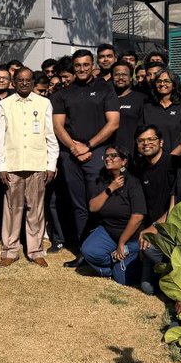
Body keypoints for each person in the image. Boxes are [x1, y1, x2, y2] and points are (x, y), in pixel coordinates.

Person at [51, 49, 120, 266]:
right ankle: (83, 253)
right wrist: (73, 147)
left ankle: (100, 248)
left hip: (97, 152)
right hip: (71, 154)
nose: (81, 69)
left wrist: (88, 145)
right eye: (78, 65)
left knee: (97, 202)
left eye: (86, 64)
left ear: (93, 66)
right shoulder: (64, 93)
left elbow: (113, 123)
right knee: (78, 204)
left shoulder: (105, 89)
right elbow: (57, 125)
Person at [0, 65, 58, 268]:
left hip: (37, 164)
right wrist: (1, 165)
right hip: (12, 164)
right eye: (20, 80)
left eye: (28, 80)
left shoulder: (44, 103)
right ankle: (10, 251)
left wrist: (51, 164)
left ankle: (35, 250)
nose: (23, 83)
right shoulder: (5, 104)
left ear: (33, 82)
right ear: (14, 82)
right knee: (12, 209)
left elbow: (50, 135)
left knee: (36, 210)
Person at [80, 145, 146, 287]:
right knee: (88, 251)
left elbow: (138, 217)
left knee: (120, 278)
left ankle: (126, 260)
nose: (108, 159)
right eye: (106, 156)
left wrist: (122, 243)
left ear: (124, 161)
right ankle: (114, 262)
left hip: (131, 237)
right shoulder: (103, 180)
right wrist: (111, 188)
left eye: (113, 155)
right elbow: (93, 207)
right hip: (109, 231)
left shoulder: (133, 183)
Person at [133, 126, 176, 296]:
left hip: (168, 227)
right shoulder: (140, 167)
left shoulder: (173, 164)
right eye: (141, 140)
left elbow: (176, 206)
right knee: (148, 288)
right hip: (150, 227)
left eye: (151, 139)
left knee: (148, 249)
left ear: (161, 142)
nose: (146, 144)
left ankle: (177, 275)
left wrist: (154, 227)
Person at [142, 69, 181, 154]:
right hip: (151, 159)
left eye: (167, 81)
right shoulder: (147, 107)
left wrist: (172, 156)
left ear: (174, 85)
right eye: (159, 81)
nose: (162, 84)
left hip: (175, 158)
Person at [110, 61, 145, 150]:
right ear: (112, 77)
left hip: (132, 152)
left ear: (130, 78)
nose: (120, 78)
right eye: (117, 75)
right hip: (109, 153)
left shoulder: (141, 99)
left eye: (124, 75)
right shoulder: (105, 99)